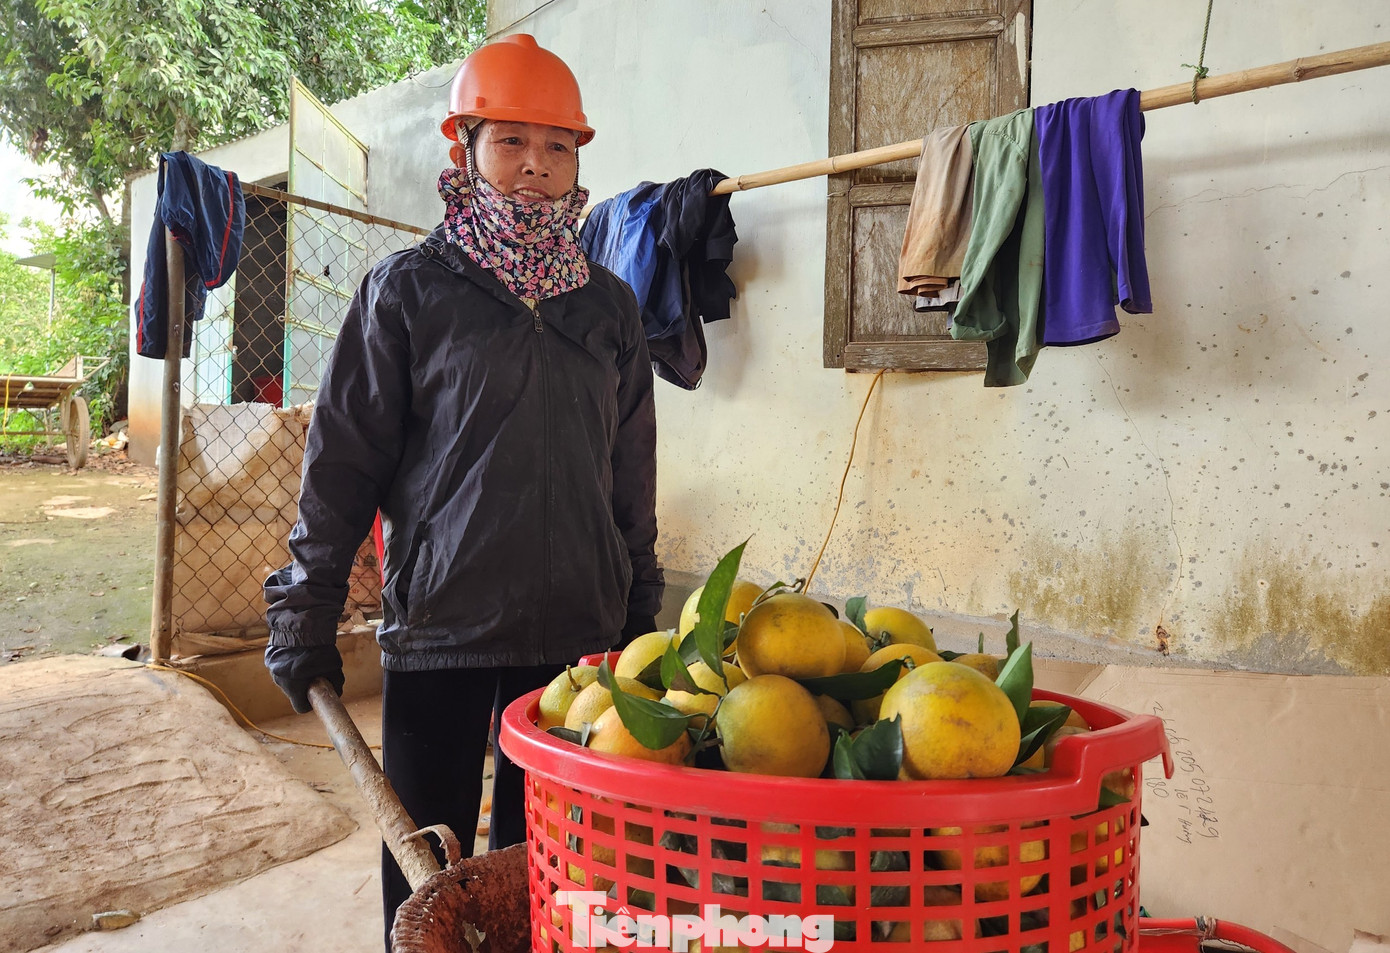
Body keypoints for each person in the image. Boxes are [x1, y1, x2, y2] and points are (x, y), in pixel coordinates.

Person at [260, 33, 662, 946]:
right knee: (426, 869)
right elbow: (343, 464)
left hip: (576, 636)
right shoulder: (406, 294)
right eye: (511, 141)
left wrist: (640, 597)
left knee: (553, 857)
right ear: (464, 147)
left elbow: (628, 467)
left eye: (557, 147)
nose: (535, 168)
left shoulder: (608, 307)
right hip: (443, 624)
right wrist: (306, 603)